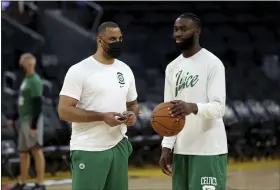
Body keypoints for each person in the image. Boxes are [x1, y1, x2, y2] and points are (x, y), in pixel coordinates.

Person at [58, 21, 139, 190]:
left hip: (119, 145)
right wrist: (102, 116)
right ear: (99, 40)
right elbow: (64, 111)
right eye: (112, 39)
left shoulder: (125, 69)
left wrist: (132, 114)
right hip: (89, 148)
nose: (117, 43)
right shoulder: (79, 70)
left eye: (120, 39)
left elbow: (133, 103)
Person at [159, 13, 228, 190]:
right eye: (175, 29)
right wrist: (167, 146)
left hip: (208, 149)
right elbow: (168, 112)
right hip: (182, 149)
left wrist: (193, 107)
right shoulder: (172, 67)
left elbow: (219, 108)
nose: (178, 34)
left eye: (184, 29)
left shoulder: (212, 63)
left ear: (197, 31)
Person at [9, 53, 46, 190]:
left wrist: (34, 125)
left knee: (36, 150)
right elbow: (22, 101)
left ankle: (40, 183)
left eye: (23, 64)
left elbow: (38, 104)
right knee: (23, 152)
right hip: (23, 120)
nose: (21, 67)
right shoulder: (26, 79)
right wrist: (14, 117)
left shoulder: (35, 80)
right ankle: (24, 182)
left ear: (29, 65)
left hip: (31, 120)